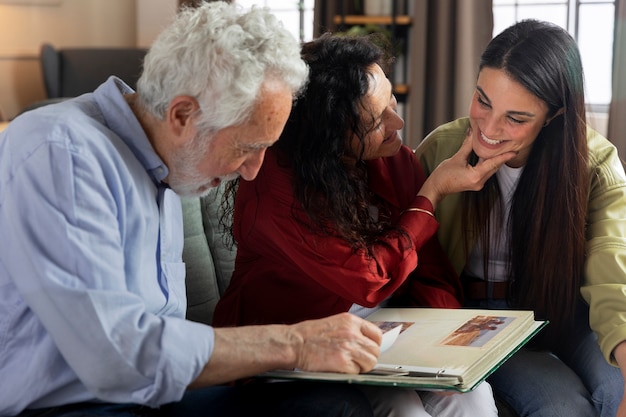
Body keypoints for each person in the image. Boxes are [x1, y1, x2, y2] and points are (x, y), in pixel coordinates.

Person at [0, 3, 384, 417]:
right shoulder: (63, 152)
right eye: (247, 148)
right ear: (182, 114)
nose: (252, 173)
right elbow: (116, 356)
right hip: (72, 406)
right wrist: (296, 343)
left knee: (333, 406)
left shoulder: (166, 166)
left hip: (151, 398)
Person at [212, 33, 516, 416]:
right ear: (328, 137)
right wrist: (432, 192)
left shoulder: (393, 159)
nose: (398, 120)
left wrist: (447, 344)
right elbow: (367, 278)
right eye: (375, 121)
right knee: (403, 408)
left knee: (472, 393)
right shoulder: (274, 189)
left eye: (390, 97)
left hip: (385, 330)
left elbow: (430, 272)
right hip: (294, 338)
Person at [415, 19, 626, 417]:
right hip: (475, 314)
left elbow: (613, 272)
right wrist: (439, 185)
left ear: (553, 115)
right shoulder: (440, 150)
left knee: (615, 389)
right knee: (562, 407)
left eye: (516, 118)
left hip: (562, 307)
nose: (489, 129)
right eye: (482, 100)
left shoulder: (595, 164)